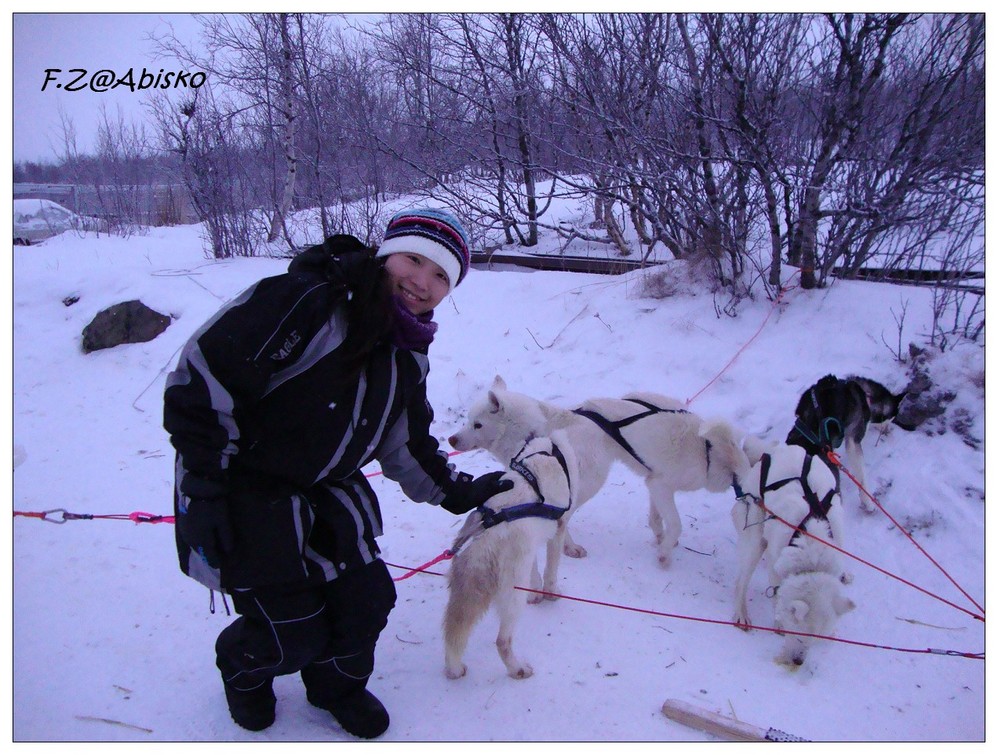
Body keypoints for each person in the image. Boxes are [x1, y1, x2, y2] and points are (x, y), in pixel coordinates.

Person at [162, 208, 511, 738]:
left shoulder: (408, 352)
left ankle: (335, 689)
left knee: (367, 602)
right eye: (414, 260)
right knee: (293, 630)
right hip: (241, 487)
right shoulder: (304, 302)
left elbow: (406, 442)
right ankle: (244, 671)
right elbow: (203, 379)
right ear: (385, 255)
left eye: (441, 275)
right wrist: (204, 488)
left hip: (328, 491)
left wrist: (455, 491)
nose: (423, 282)